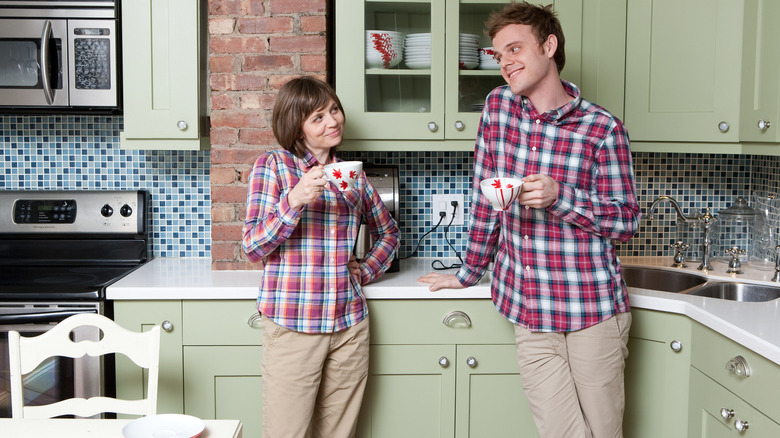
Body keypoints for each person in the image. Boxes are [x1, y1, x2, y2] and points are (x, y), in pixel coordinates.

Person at [418, 3, 641, 437]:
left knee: (603, 431)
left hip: (593, 312)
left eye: (515, 48)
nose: (505, 63)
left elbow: (626, 222)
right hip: (529, 309)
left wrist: (563, 198)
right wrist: (468, 272)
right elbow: (487, 201)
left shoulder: (602, 129)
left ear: (549, 46)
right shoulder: (498, 108)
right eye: (499, 55)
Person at [242, 76, 400, 438]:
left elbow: (389, 232)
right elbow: (252, 246)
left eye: (334, 110)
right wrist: (294, 200)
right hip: (293, 324)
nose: (333, 121)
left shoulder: (353, 177)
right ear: (297, 130)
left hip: (349, 325)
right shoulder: (273, 167)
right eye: (318, 117)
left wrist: (364, 271)